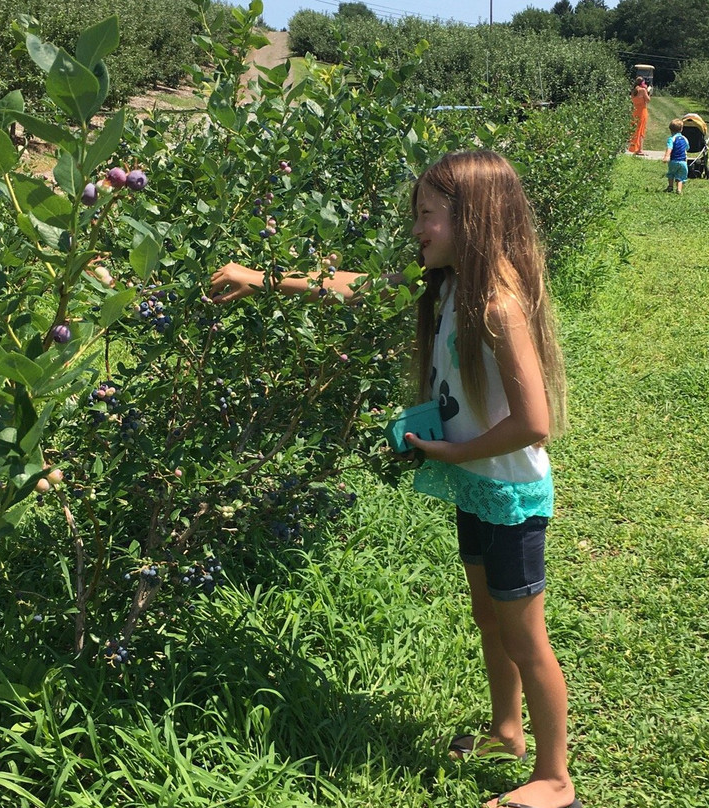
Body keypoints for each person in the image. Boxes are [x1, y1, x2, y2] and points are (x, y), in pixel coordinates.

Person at [209, 150, 581, 808]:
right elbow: (354, 283)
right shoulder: (448, 287)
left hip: (511, 496)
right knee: (488, 619)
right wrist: (261, 277)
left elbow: (534, 424)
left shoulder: (497, 305)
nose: (417, 230)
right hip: (479, 485)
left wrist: (449, 453)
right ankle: (506, 731)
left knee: (525, 636)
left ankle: (555, 779)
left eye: (428, 216)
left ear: (474, 218)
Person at [663, 118, 689, 194]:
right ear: (681, 129)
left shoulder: (671, 139)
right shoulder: (685, 138)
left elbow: (669, 148)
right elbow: (687, 148)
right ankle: (679, 190)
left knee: (671, 174)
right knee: (680, 177)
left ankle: (670, 187)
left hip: (673, 161)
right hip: (683, 162)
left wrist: (666, 156)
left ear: (670, 130)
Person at [628, 76, 650, 156]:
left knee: (635, 130)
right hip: (642, 111)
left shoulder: (634, 91)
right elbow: (648, 100)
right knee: (641, 130)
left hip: (635, 111)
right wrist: (648, 91)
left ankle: (634, 147)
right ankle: (639, 149)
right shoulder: (643, 90)